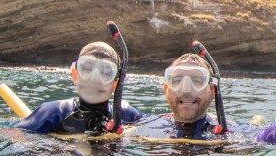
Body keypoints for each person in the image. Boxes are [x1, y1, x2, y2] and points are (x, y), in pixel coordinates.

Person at [15, 41, 143, 134]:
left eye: (106, 72)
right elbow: (17, 143)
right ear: (75, 75)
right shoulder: (53, 113)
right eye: (87, 68)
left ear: (115, 84)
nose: (94, 79)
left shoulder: (129, 117)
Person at [134, 53, 223, 141]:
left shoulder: (230, 135)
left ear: (213, 91)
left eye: (197, 81)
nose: (186, 90)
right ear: (166, 89)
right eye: (177, 80)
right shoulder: (142, 127)